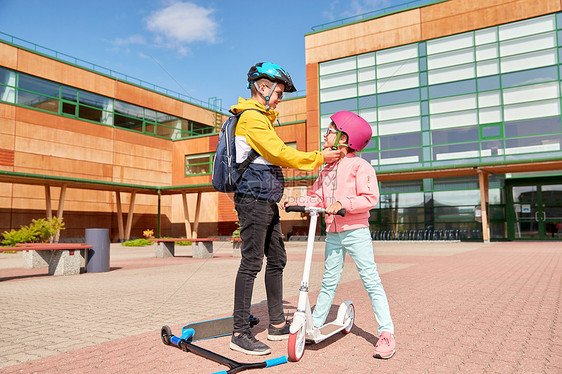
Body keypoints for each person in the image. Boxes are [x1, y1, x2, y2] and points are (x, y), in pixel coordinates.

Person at [229, 62, 340, 356]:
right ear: (262, 88)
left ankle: (277, 322)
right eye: (278, 92)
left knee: (277, 258)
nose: (280, 98)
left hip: (265, 201)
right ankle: (240, 331)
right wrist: (319, 157)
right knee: (251, 263)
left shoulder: (263, 119)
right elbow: (279, 153)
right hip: (252, 200)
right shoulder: (252, 118)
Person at [286, 110, 396, 359]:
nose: (326, 135)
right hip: (333, 232)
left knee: (371, 280)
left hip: (356, 231)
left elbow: (370, 197)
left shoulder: (360, 166)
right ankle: (315, 324)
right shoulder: (327, 169)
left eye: (330, 131)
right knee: (328, 280)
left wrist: (343, 203)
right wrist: (297, 201)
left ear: (345, 139)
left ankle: (387, 333)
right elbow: (316, 195)